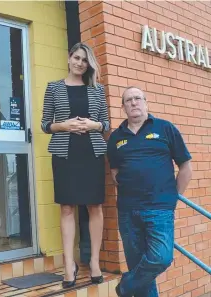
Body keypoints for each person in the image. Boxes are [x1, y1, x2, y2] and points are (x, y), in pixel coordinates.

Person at [107, 87, 192, 297]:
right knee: (142, 274)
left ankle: (125, 286)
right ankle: (131, 286)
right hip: (127, 211)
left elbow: (185, 168)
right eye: (128, 100)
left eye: (137, 98)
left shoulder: (165, 128)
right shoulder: (116, 137)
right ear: (123, 107)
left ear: (146, 102)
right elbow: (114, 173)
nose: (133, 103)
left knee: (161, 258)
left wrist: (172, 199)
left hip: (159, 209)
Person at [41, 42, 110, 288]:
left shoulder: (97, 90)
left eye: (85, 61)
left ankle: (93, 262)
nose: (80, 63)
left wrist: (94, 125)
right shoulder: (54, 88)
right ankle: (69, 265)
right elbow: (45, 124)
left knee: (94, 206)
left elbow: (105, 123)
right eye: (77, 58)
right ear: (69, 58)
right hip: (65, 153)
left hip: (91, 152)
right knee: (67, 208)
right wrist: (64, 125)